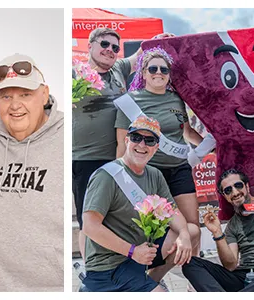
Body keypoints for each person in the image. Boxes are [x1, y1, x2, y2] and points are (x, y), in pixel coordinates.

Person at [0, 53, 65, 291]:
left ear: (44, 94)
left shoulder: (67, 137)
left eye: (25, 94)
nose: (15, 105)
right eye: (6, 96)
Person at [74, 29, 174, 256]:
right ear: (90, 45)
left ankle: (122, 262)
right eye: (104, 44)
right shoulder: (74, 74)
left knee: (118, 216)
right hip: (86, 158)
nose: (110, 50)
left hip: (120, 156)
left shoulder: (119, 68)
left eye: (115, 48)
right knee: (87, 217)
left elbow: (141, 54)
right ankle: (90, 272)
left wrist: (156, 40)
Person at [113, 47, 203, 281]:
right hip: (149, 172)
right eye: (152, 68)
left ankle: (194, 280)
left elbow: (186, 133)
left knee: (193, 228)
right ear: (143, 72)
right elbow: (122, 145)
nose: (158, 73)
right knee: (150, 229)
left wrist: (212, 144)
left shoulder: (177, 99)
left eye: (164, 69)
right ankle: (146, 278)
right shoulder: (129, 101)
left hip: (179, 169)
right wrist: (119, 179)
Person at [80, 116, 193, 292]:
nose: (142, 145)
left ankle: (150, 282)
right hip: (110, 267)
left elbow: (172, 211)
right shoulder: (106, 176)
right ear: (126, 140)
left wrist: (184, 234)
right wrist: (133, 251)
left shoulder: (154, 175)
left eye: (149, 140)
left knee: (191, 231)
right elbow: (89, 226)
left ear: (156, 147)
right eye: (136, 138)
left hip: (137, 260)